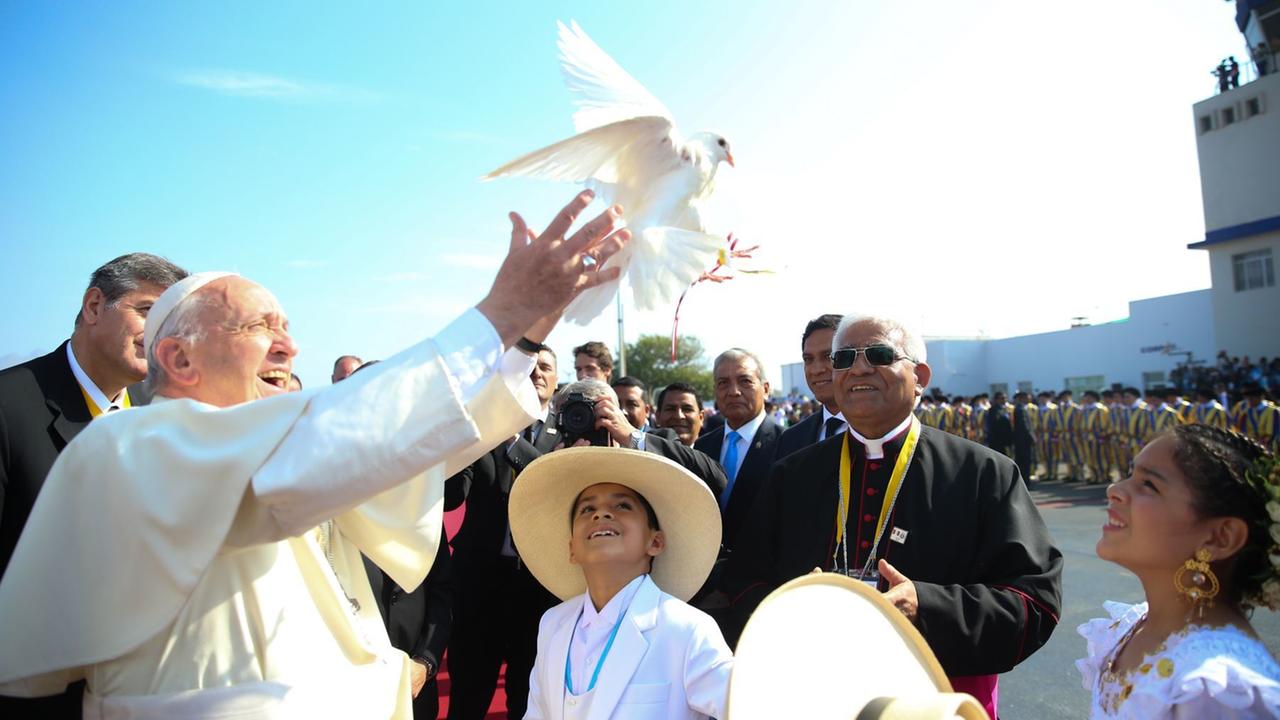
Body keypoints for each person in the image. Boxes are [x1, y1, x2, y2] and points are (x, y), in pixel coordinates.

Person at [0, 190, 630, 718]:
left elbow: (414, 449)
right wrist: (503, 311)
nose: (289, 348)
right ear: (179, 358)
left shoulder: (278, 451)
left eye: (287, 328)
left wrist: (526, 333)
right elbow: (343, 436)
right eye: (259, 327)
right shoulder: (129, 445)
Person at [726, 314, 1063, 718]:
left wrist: (927, 604)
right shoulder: (792, 474)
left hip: (930, 699)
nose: (859, 368)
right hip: (812, 694)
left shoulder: (983, 473)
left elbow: (1034, 603)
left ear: (920, 376)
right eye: (845, 358)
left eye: (879, 354)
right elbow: (742, 579)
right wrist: (799, 608)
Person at [0, 252, 187, 717]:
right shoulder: (9, 404)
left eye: (172, 321)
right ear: (93, 306)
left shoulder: (163, 414)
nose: (161, 333)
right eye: (148, 312)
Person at [509, 447, 732, 720]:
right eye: (587, 508)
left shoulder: (686, 629)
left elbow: (750, 707)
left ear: (655, 542)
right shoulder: (553, 624)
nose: (601, 514)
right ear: (572, 549)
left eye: (622, 505)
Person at [1076, 425, 1280, 717]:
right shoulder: (1133, 626)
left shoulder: (1218, 688)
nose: (1115, 490)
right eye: (1131, 474)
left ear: (1219, 537)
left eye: (1149, 484)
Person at [445, 342, 562, 720]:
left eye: (545, 366)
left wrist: (511, 442)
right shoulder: (481, 429)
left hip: (539, 592)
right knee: (468, 696)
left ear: (556, 380)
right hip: (479, 587)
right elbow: (450, 498)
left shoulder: (569, 433)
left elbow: (551, 480)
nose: (536, 372)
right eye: (527, 365)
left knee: (526, 700)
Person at [693, 348, 782, 555]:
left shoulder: (787, 442)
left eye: (745, 381)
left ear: (766, 389)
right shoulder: (703, 446)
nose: (733, 391)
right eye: (723, 383)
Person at [776, 314, 846, 461]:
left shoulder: (883, 430)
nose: (816, 370)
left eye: (828, 356)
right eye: (808, 359)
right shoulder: (790, 439)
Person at [656, 381, 705, 447]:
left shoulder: (717, 454)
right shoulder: (643, 454)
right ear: (658, 417)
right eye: (671, 409)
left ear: (701, 417)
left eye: (687, 409)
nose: (679, 416)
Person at [1240, 384, 1279, 453]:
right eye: (1247, 399)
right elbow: (1245, 432)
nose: (1249, 401)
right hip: (1255, 447)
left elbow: (1275, 433)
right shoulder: (1248, 412)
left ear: (1260, 397)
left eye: (1251, 398)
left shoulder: (1273, 411)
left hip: (1273, 448)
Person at [985, 390, 1014, 457]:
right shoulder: (993, 410)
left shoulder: (1003, 409)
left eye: (1005, 398)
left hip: (1005, 439)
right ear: (997, 400)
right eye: (1002, 398)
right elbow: (995, 425)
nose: (1005, 400)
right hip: (998, 440)